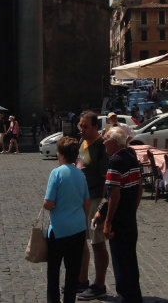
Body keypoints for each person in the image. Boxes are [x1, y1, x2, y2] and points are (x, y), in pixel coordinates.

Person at [94, 127, 143, 303]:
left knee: (120, 262)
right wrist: (132, 209)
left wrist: (107, 222)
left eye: (106, 139)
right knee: (130, 261)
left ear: (114, 142)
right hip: (130, 218)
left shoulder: (115, 161)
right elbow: (139, 188)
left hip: (119, 220)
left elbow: (113, 195)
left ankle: (125, 298)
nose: (103, 142)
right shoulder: (131, 156)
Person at [43, 137, 92, 303]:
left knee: (53, 272)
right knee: (72, 272)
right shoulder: (81, 174)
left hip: (59, 230)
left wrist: (46, 203)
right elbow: (87, 202)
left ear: (61, 154)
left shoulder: (56, 173)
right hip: (78, 229)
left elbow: (49, 203)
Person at [74, 111, 110, 300]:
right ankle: (82, 280)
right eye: (80, 125)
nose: (82, 129)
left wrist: (102, 207)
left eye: (85, 126)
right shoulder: (83, 142)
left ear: (95, 127)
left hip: (96, 199)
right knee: (81, 241)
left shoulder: (101, 147)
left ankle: (99, 285)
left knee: (97, 243)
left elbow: (107, 181)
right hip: (82, 200)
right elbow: (80, 165)